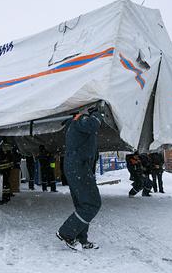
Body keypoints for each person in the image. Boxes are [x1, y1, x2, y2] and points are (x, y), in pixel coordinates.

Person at [57, 106, 103, 250]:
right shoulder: (81, 120)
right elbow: (93, 124)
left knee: (83, 205)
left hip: (76, 166)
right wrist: (97, 113)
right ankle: (67, 232)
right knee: (92, 203)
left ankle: (81, 239)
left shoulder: (74, 123)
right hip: (79, 167)